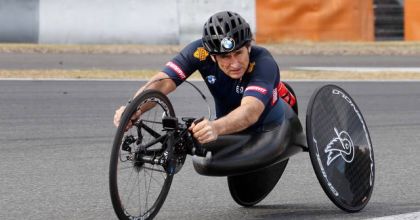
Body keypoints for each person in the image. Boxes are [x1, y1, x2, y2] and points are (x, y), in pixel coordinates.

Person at [113, 11, 296, 144]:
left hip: (265, 124)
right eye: (225, 57)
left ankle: (280, 91)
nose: (234, 63)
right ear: (213, 56)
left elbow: (250, 111)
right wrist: (133, 108)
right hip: (226, 119)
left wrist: (216, 128)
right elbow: (163, 82)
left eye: (238, 53)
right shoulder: (200, 52)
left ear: (248, 47)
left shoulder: (263, 62)